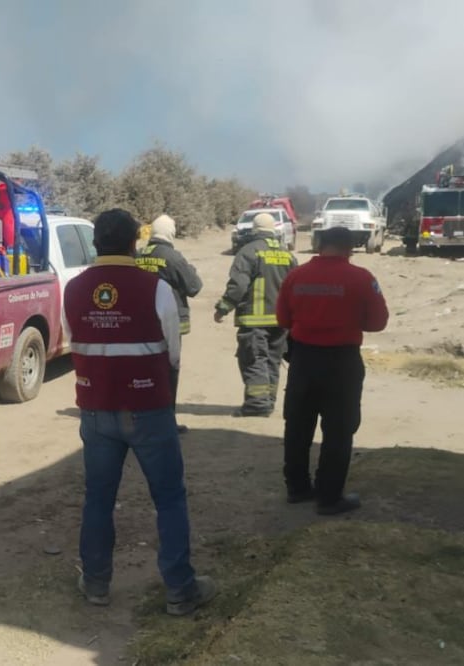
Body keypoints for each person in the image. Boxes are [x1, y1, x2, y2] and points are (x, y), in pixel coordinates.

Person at [64, 209, 215, 616]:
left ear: (96, 242)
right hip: (148, 408)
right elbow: (174, 352)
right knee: (168, 498)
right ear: (135, 242)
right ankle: (180, 591)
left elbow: (73, 338)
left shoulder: (73, 289)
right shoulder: (156, 288)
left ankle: (96, 583)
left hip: (96, 410)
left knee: (98, 498)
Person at [276, 227, 388, 515]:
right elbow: (378, 322)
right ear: (350, 248)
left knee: (298, 425)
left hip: (303, 359)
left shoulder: (296, 276)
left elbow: (282, 318)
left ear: (319, 245)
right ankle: (329, 497)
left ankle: (297, 488)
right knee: (339, 429)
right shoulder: (361, 278)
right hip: (342, 362)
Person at [213, 213, 296, 417]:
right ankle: (268, 401)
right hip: (281, 321)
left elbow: (238, 284)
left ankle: (257, 405)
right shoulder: (287, 254)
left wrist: (223, 307)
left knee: (254, 359)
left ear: (255, 229)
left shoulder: (249, 251)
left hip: (254, 320)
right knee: (273, 360)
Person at [136, 214, 203, 433]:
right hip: (168, 325)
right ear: (170, 233)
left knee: (143, 373)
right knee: (168, 371)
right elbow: (194, 287)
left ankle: (142, 419)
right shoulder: (172, 257)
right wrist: (190, 270)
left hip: (140, 324)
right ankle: (166, 421)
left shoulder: (138, 255)